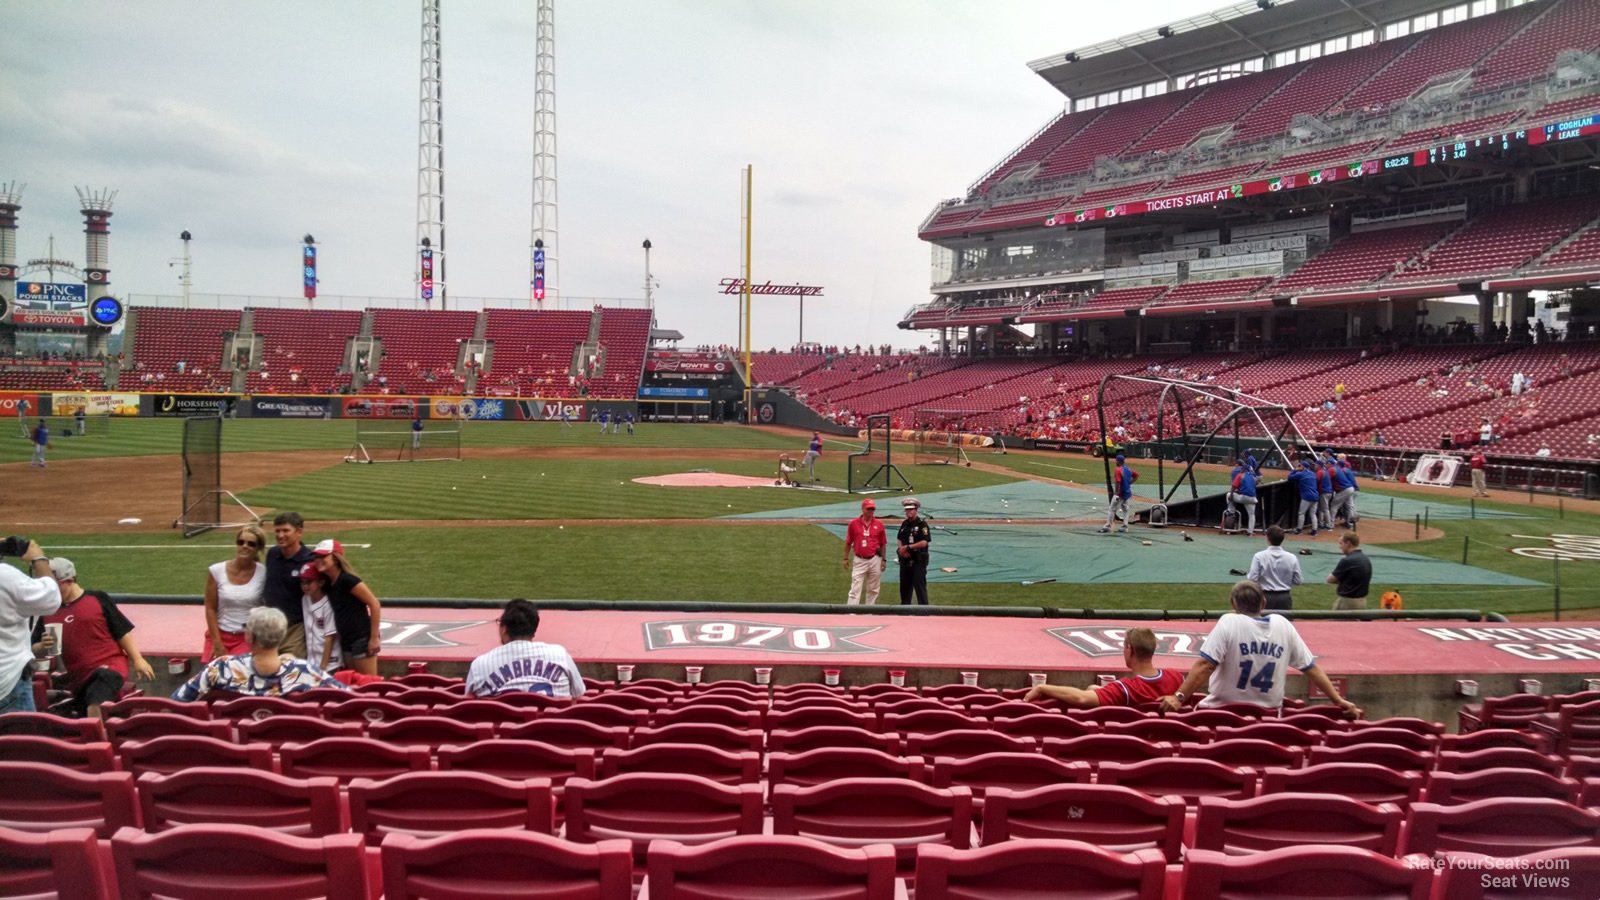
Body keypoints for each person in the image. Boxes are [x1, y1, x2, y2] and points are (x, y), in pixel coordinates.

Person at [1158, 581, 1361, 715]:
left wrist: (1179, 697)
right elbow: (1311, 668)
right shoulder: (1283, 625)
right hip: (1268, 719)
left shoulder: (1229, 622)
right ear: (1263, 602)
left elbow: (1205, 666)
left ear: (1233, 604)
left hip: (1222, 716)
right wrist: (1338, 700)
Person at [31, 558, 154, 718]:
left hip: (110, 667)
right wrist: (43, 646)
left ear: (69, 580)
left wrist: (138, 659)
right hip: (79, 677)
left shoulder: (97, 599)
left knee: (100, 687)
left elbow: (121, 631)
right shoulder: (48, 611)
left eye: (54, 587)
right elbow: (33, 647)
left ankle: (95, 737)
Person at [171, 607, 348, 701]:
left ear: (250, 637)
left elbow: (177, 701)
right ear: (281, 636)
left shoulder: (222, 668)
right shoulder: (305, 671)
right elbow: (347, 696)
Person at [1024, 627, 1182, 708]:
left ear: (1130, 649)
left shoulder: (1125, 689)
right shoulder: (1177, 678)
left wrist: (1042, 688)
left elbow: (1081, 698)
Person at [466, 598, 587, 699]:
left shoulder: (479, 665)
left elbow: (469, 704)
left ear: (504, 629)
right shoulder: (560, 655)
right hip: (551, 727)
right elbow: (579, 696)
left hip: (502, 727)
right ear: (533, 630)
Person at [0, 540, 62, 713]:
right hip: (7, 681)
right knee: (20, 740)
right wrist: (38, 558)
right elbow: (51, 600)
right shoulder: (5, 576)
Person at [312, 539, 383, 676]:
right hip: (346, 640)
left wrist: (374, 638)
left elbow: (374, 604)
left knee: (369, 684)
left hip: (361, 638)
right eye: (317, 557)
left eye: (323, 556)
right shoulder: (328, 583)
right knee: (354, 684)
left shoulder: (348, 580)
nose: (318, 560)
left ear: (336, 558)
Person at [203, 524, 268, 661]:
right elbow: (210, 609)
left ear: (258, 548)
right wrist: (217, 643)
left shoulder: (264, 573)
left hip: (247, 638)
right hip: (218, 635)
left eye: (251, 544)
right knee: (213, 678)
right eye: (241, 542)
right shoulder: (216, 571)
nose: (245, 546)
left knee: (238, 677)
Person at [263, 512, 316, 658]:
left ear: (299, 532)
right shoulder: (272, 554)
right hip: (270, 627)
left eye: (286, 530)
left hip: (295, 628)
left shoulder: (310, 560)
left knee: (290, 668)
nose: (280, 535)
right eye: (277, 531)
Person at [1246, 526, 1302, 611]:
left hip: (1265, 596)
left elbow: (1252, 578)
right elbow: (1298, 581)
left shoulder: (1259, 556)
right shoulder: (1292, 557)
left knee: (1264, 622)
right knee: (1284, 623)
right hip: (1284, 598)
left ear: (1267, 538)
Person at [843, 498, 887, 606]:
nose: (871, 512)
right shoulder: (853, 524)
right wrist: (845, 558)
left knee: (873, 589)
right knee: (855, 588)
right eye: (869, 509)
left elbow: (883, 544)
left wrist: (884, 560)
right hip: (859, 559)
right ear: (862, 509)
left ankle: (869, 612)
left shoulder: (879, 524)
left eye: (872, 509)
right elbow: (848, 542)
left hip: (875, 559)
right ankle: (851, 613)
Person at [298, 563, 341, 673]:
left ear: (321, 582)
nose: (305, 586)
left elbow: (329, 638)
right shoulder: (305, 599)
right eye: (302, 582)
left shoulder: (328, 604)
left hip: (330, 664)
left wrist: (323, 667)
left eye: (309, 582)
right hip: (312, 661)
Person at [896, 497, 932, 606]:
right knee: (905, 588)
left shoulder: (922, 525)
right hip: (905, 561)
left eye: (911, 509)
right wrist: (901, 549)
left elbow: (924, 542)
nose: (909, 512)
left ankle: (924, 611)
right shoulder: (904, 524)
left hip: (918, 561)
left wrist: (908, 547)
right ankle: (904, 612)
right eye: (907, 510)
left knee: (919, 587)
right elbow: (899, 538)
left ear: (916, 510)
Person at [1327, 532, 1373, 610]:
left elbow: (1330, 579)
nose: (1340, 547)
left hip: (1347, 603)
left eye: (1341, 543)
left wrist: (1341, 580)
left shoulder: (1347, 561)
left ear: (1348, 543)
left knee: (1335, 622)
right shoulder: (1365, 558)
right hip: (1362, 603)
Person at [1099, 453, 1137, 534]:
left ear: (1118, 461)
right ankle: (1125, 526)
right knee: (1125, 510)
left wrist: (1116, 494)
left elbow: (1118, 483)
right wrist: (1130, 483)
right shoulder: (1128, 469)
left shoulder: (1118, 469)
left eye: (1116, 460)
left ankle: (1107, 526)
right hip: (1127, 493)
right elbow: (1136, 475)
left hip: (1120, 494)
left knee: (1112, 509)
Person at [1289, 459, 1319, 535]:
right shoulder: (1313, 473)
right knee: (1313, 514)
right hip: (1315, 496)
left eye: (1300, 465)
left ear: (1303, 467)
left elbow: (1290, 477)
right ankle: (1314, 530)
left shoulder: (1301, 474)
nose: (1299, 466)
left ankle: (1299, 529)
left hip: (1307, 496)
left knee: (1301, 513)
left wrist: (1295, 470)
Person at [1229, 461, 1258, 536]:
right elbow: (1255, 485)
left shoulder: (1240, 475)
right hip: (1253, 498)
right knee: (1252, 515)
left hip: (1243, 497)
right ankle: (1250, 532)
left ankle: (1231, 511)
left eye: (1242, 468)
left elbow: (1233, 486)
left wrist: (1231, 495)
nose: (1241, 469)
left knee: (1228, 495)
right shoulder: (1253, 477)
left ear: (1244, 469)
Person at [1332, 454, 1360, 529]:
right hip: (1353, 489)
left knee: (1348, 506)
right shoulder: (1346, 470)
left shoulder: (1342, 471)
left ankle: (1351, 520)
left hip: (1351, 489)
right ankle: (1350, 522)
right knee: (1348, 506)